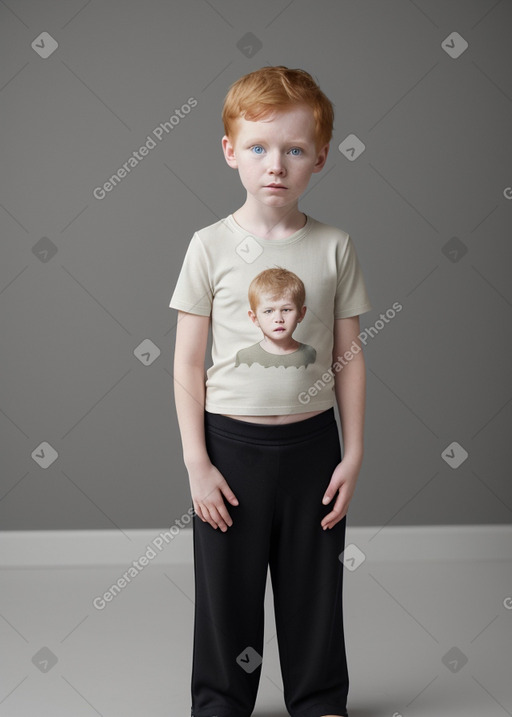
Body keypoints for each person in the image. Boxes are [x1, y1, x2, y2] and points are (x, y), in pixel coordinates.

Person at [169, 65, 373, 717]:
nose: (274, 164)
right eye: (258, 147)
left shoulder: (335, 246)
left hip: (314, 446)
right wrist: (197, 462)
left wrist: (353, 451)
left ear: (320, 155)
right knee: (226, 588)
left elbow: (348, 357)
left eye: (292, 148)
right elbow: (186, 364)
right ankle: (221, 700)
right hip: (231, 448)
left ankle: (318, 699)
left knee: (313, 585)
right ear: (230, 151)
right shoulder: (208, 246)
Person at [234, 267, 316, 369]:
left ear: (301, 314)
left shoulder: (309, 354)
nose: (278, 319)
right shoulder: (245, 357)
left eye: (286, 310)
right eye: (268, 311)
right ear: (254, 318)